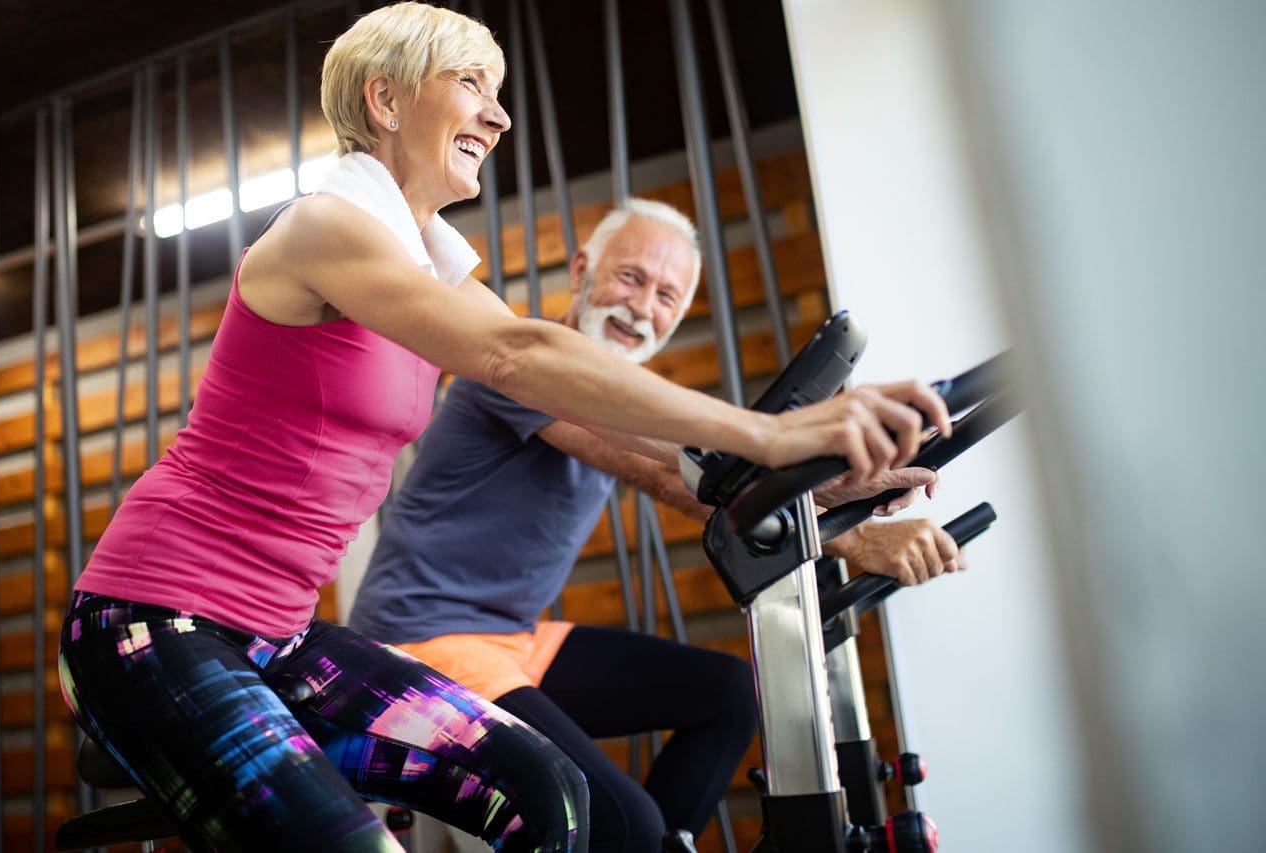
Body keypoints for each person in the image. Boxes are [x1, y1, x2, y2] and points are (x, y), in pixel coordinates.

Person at [55, 3, 948, 851]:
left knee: (552, 793)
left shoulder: (428, 266)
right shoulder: (326, 227)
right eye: (474, 84)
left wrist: (823, 479)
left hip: (282, 635)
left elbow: (614, 408)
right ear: (387, 97)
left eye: (498, 90)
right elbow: (519, 353)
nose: (500, 114)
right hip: (153, 620)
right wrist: (773, 435)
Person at [348, 199, 964, 852]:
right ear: (581, 270)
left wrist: (836, 487)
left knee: (726, 693)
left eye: (667, 295)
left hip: (513, 638)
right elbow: (669, 476)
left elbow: (703, 476)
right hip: (418, 639)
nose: (643, 308)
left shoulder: (625, 402)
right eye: (631, 278)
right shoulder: (522, 361)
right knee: (623, 821)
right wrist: (858, 538)